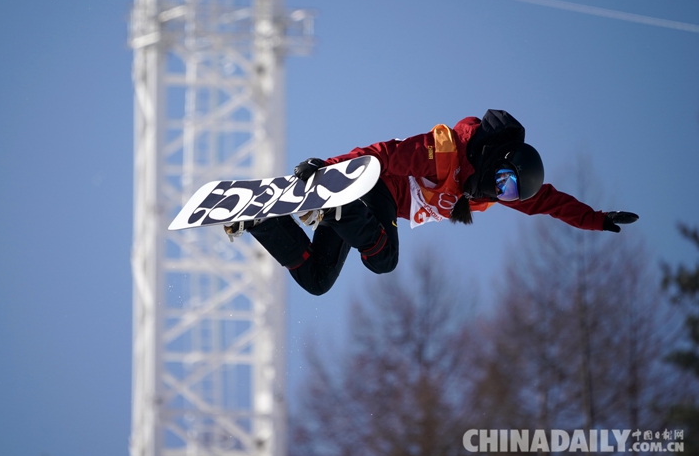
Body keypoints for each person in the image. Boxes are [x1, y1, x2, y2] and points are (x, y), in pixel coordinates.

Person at [224, 110, 638, 296]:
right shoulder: (447, 151)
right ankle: (338, 208)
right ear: (495, 161)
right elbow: (384, 152)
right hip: (373, 191)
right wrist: (330, 168)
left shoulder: (490, 189)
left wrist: (596, 220)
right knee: (383, 260)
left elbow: (547, 201)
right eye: (504, 181)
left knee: (317, 280)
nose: (502, 192)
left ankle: (260, 222)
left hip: (359, 212)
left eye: (511, 192)